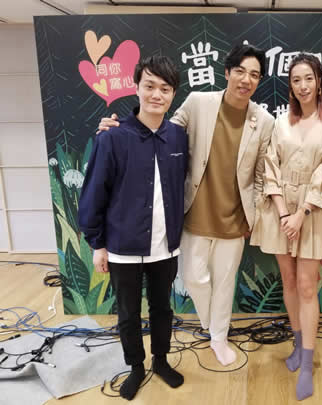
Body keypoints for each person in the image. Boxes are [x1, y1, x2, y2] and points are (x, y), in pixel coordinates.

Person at [98, 44, 274, 366]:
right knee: (194, 278)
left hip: (235, 218)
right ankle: (210, 324)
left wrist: (255, 212)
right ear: (227, 72)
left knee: (225, 284)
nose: (246, 79)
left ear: (259, 80)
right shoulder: (198, 103)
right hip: (193, 213)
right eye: (240, 71)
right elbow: (159, 131)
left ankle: (219, 338)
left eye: (254, 74)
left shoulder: (263, 121)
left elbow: (261, 173)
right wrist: (119, 127)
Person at [79, 55, 188, 400]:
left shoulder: (178, 137)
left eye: (165, 89)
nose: (157, 94)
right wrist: (98, 244)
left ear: (173, 94)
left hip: (165, 245)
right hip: (123, 245)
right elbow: (94, 193)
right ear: (136, 88)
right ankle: (136, 367)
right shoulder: (113, 137)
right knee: (128, 312)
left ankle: (161, 360)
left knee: (162, 307)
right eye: (150, 86)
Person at [251, 53, 322, 400]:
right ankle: (296, 343)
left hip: (312, 212)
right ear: (290, 87)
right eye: (296, 80)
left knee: (307, 286)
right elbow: (270, 167)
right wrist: (282, 213)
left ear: (319, 82)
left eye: (308, 78)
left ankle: (307, 363)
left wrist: (301, 213)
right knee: (288, 281)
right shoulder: (281, 123)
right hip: (280, 213)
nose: (303, 86)